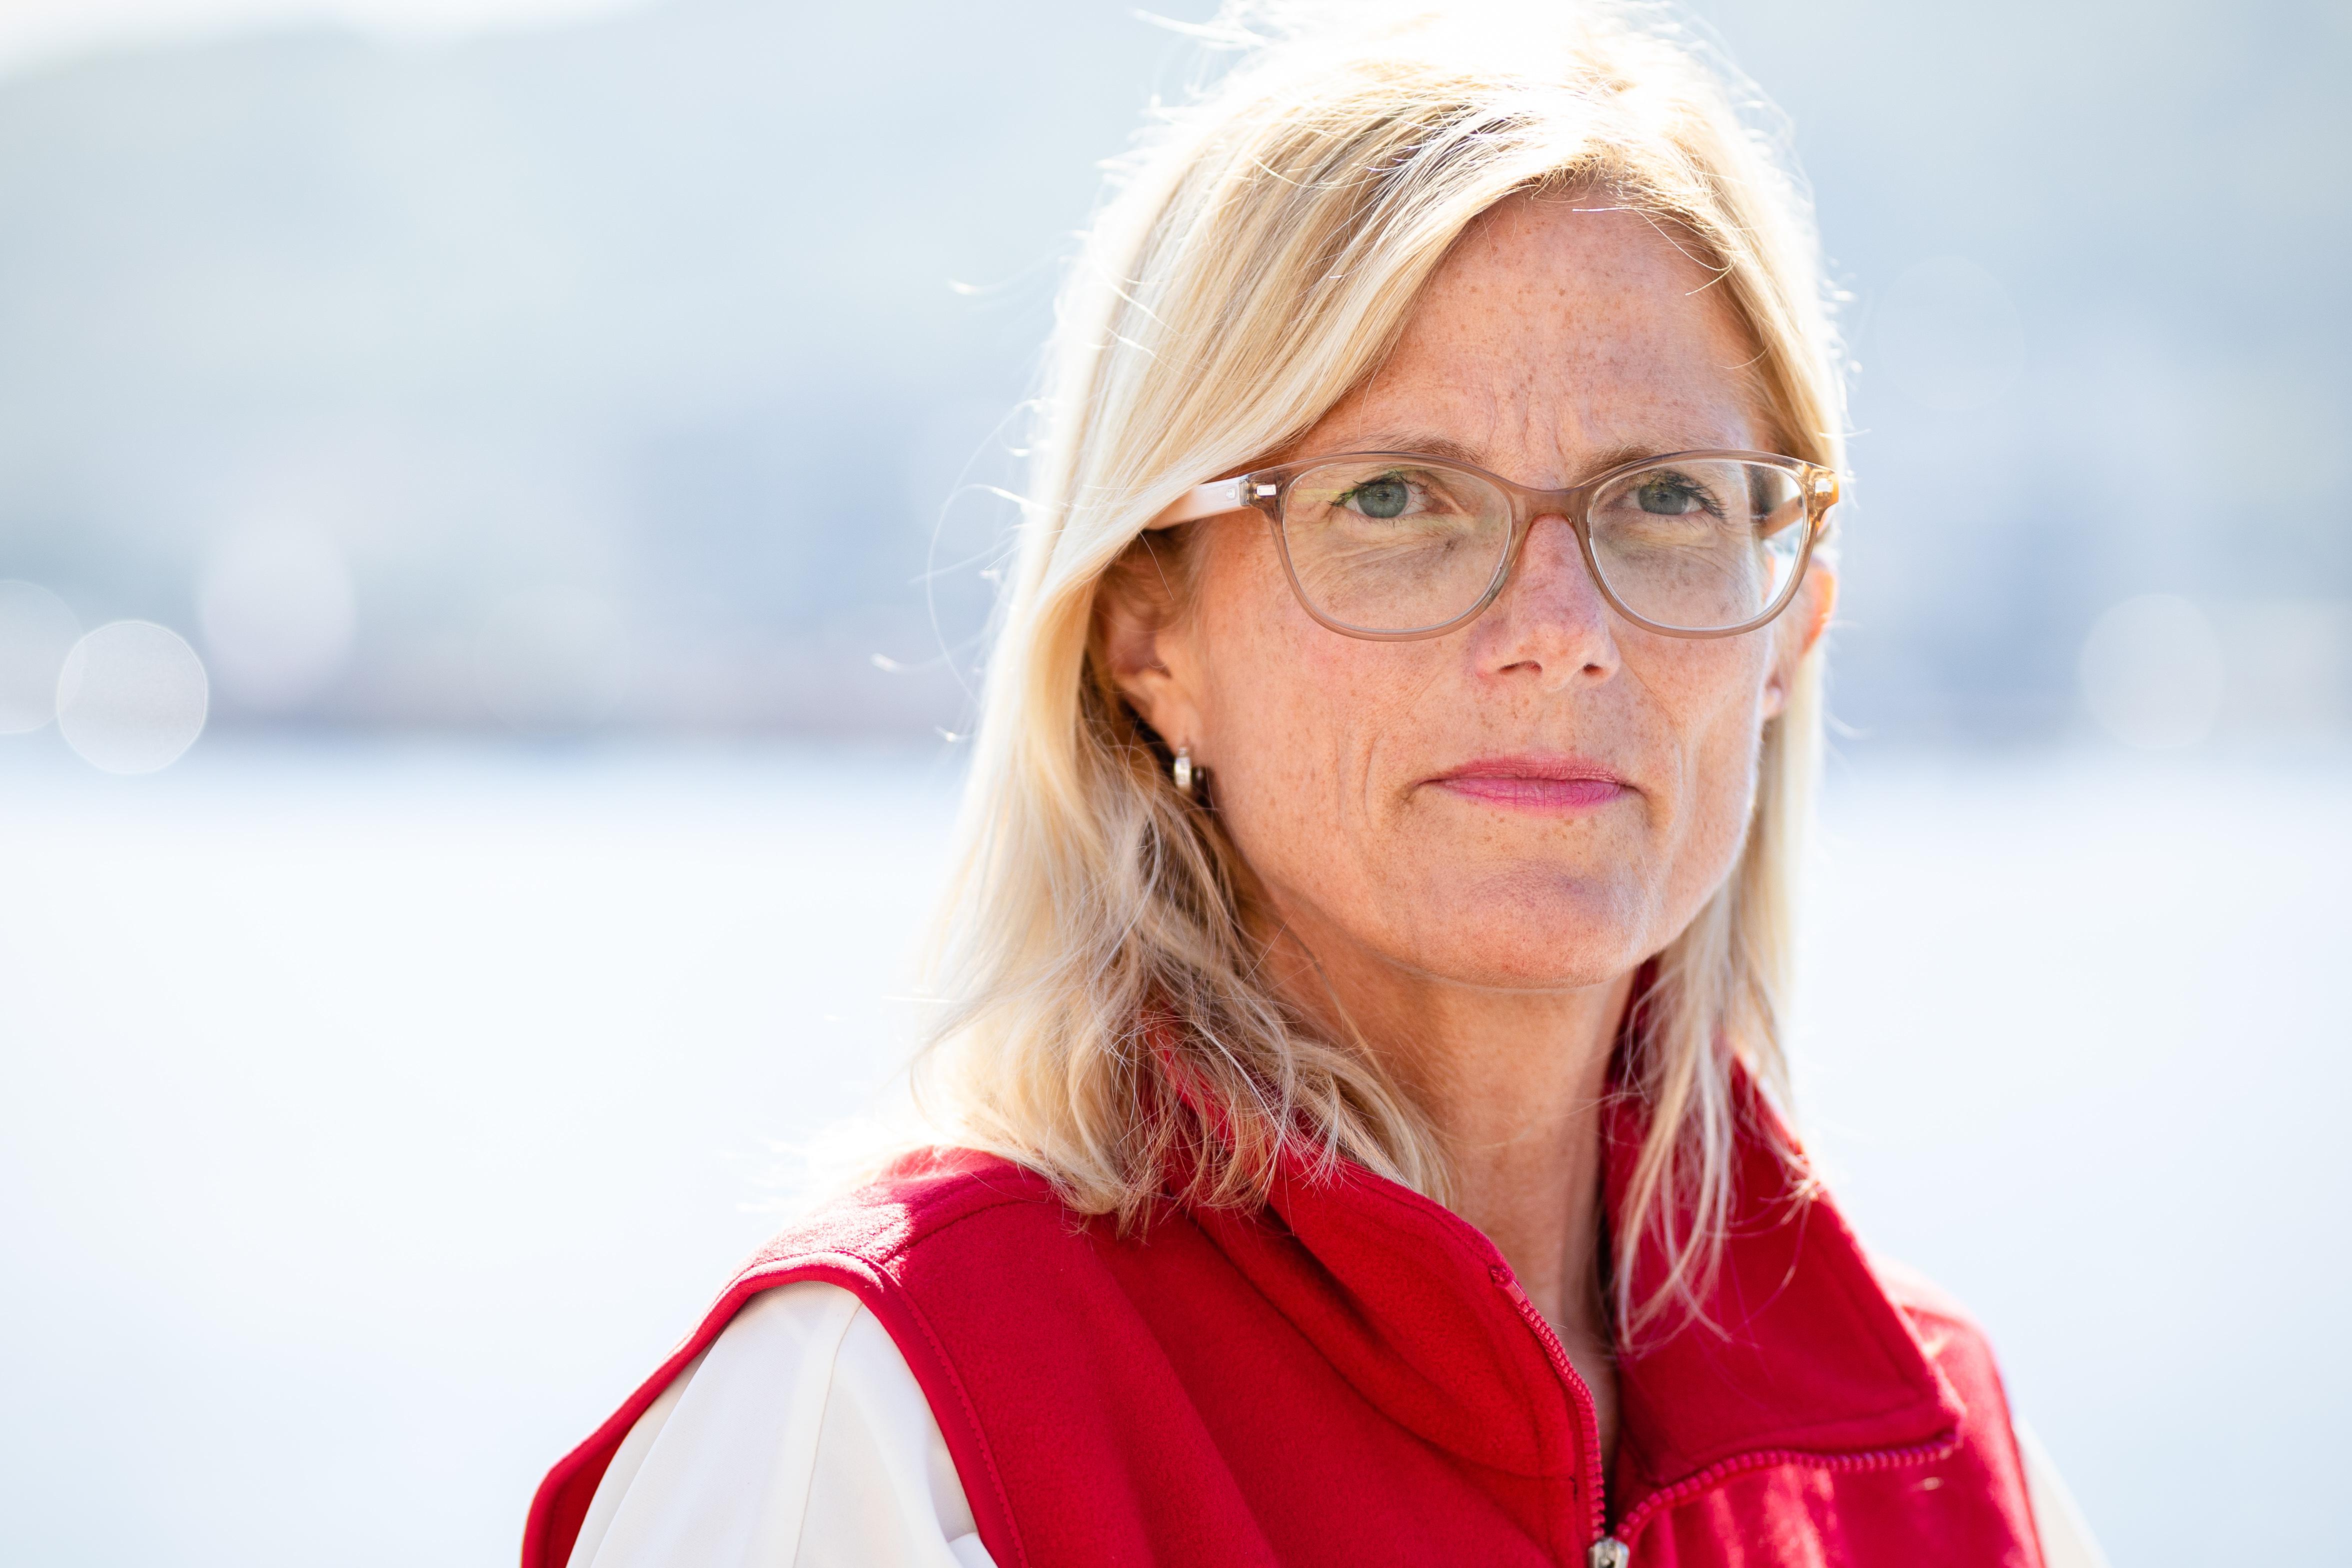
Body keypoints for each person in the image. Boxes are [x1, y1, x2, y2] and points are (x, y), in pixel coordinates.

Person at [527, 6, 2108, 1564]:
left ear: (1789, 631)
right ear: (1147, 625)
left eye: (1671, 498)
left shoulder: (1941, 1464)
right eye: (1396, 496)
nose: (1561, 636)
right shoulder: (895, 1423)